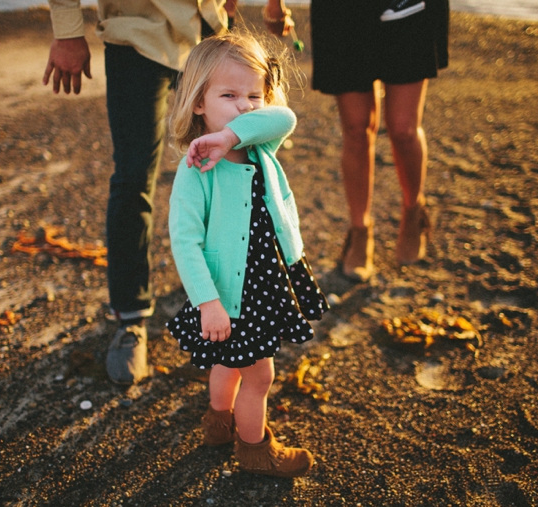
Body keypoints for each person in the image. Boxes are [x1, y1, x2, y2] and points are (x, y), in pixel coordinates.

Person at [42, 0, 235, 384]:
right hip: (135, 32)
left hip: (209, 32)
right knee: (132, 179)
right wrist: (67, 30)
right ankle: (131, 319)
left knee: (228, 172)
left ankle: (228, 312)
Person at [165, 31, 328, 477]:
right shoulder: (197, 168)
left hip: (267, 280)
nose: (245, 105)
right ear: (199, 102)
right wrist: (208, 303)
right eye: (229, 95)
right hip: (227, 293)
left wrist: (230, 135)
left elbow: (284, 117)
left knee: (230, 363)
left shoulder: (257, 145)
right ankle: (255, 450)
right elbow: (185, 242)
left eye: (254, 94)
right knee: (259, 376)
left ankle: (219, 423)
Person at [265, 0, 450, 281]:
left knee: (403, 129)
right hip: (343, 12)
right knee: (356, 128)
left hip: (408, 10)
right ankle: (360, 230)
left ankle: (414, 211)